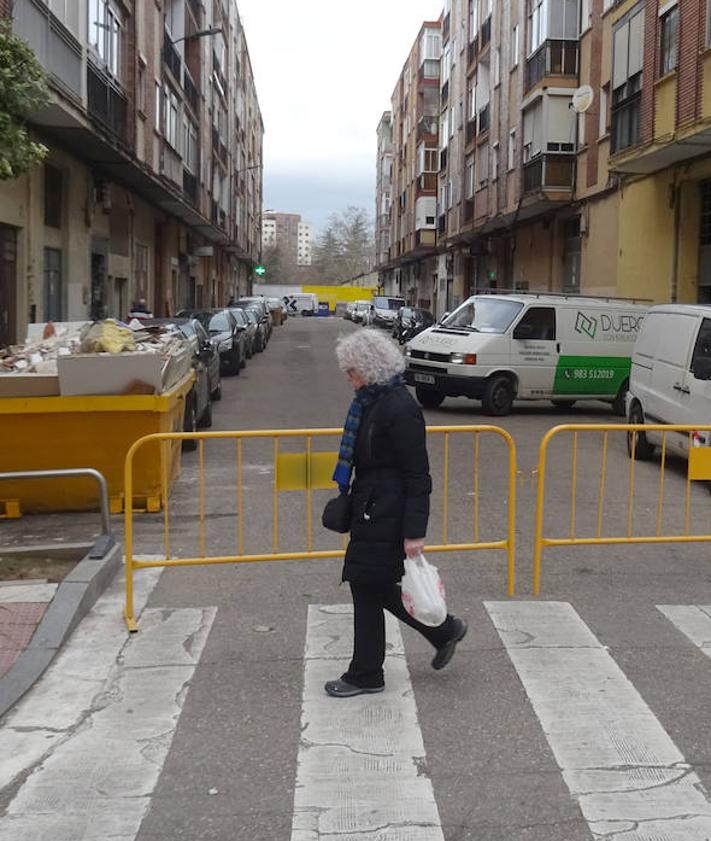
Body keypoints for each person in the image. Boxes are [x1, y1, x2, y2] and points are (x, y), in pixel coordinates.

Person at [325, 329, 467, 698]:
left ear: (370, 368)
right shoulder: (370, 401)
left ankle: (367, 673)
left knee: (366, 583)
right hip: (372, 508)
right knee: (374, 585)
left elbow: (417, 474)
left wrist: (414, 532)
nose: (348, 377)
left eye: (352, 370)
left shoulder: (399, 407)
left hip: (388, 512)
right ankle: (444, 631)